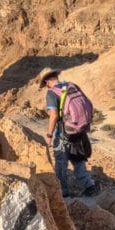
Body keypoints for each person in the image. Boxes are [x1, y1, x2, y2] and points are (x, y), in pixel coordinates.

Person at [38, 67, 99, 198]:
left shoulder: (52, 92)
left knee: (61, 161)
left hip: (64, 131)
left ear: (47, 81)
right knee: (77, 157)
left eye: (45, 84)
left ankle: (63, 192)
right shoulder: (71, 86)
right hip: (79, 128)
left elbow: (53, 115)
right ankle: (89, 185)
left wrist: (49, 135)